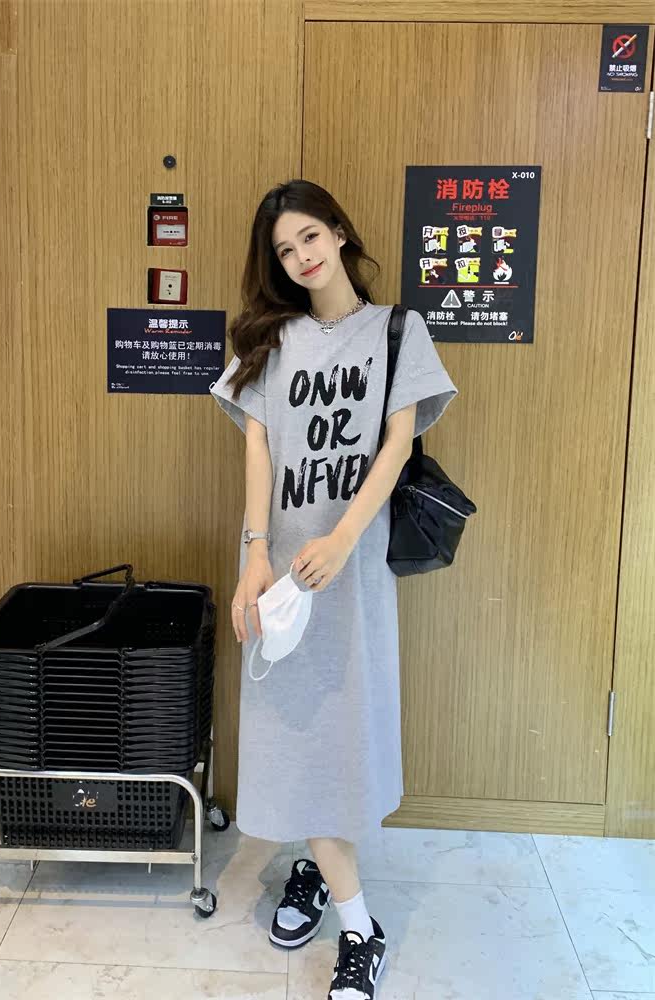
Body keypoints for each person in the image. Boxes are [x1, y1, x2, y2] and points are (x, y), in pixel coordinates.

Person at [210, 179, 458, 999]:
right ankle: (341, 900)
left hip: (350, 572)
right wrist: (254, 555)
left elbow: (397, 444)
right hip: (280, 570)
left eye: (310, 237)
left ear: (340, 232)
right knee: (292, 730)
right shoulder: (272, 339)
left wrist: (345, 539)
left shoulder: (397, 330)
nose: (301, 257)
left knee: (341, 736)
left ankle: (350, 917)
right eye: (285, 250)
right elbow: (257, 448)